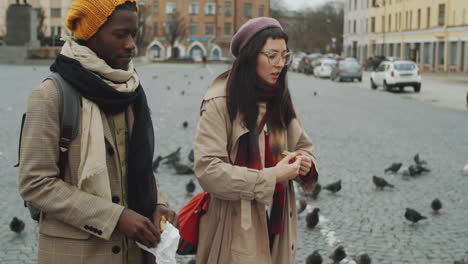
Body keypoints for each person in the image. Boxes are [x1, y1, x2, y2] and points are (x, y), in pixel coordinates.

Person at [18, 0, 178, 263]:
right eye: (120, 34)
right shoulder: (50, 96)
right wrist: (114, 217)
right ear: (90, 35)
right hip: (80, 254)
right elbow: (35, 183)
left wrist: (158, 203)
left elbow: (137, 164)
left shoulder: (130, 89)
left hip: (136, 253)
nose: (131, 44)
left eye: (133, 34)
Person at [193, 17, 319, 263]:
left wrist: (305, 163)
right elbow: (208, 170)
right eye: (272, 55)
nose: (280, 64)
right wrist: (272, 177)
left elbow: (303, 146)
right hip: (234, 227)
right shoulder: (220, 102)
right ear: (250, 57)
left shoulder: (279, 98)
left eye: (284, 56)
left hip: (278, 225)